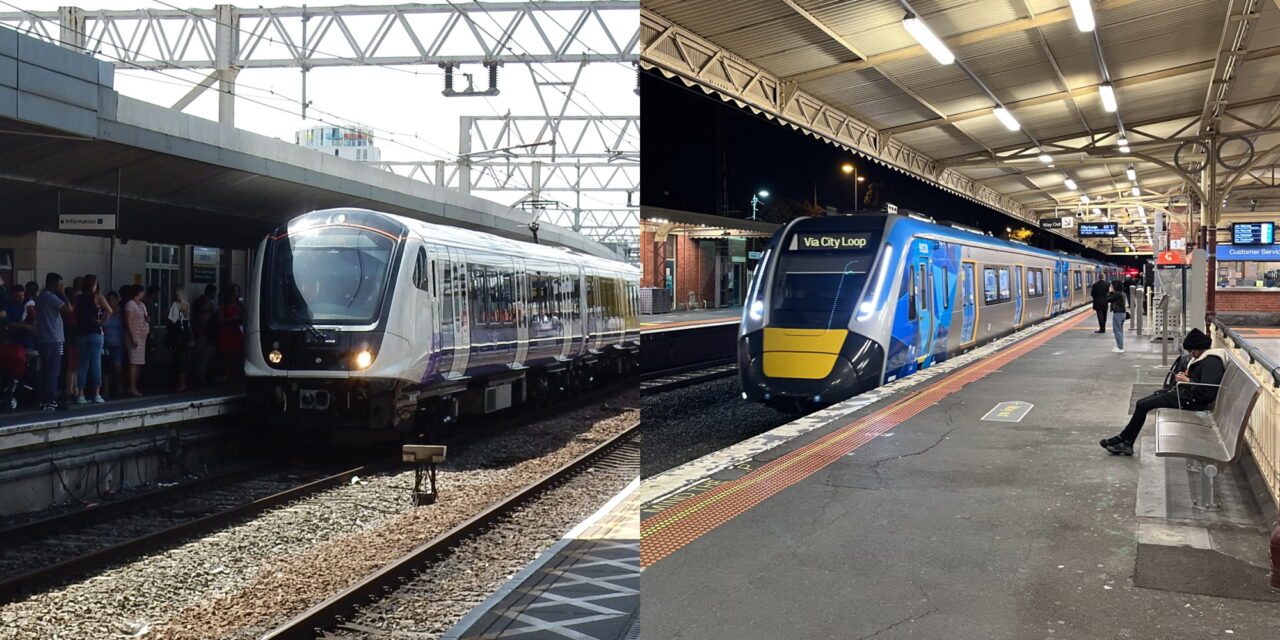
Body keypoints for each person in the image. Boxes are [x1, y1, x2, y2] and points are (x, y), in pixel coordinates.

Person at [1100, 329, 1225, 456]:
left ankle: (1124, 441)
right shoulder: (1206, 359)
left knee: (1142, 405)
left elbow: (1208, 393)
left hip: (1191, 401)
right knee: (1148, 399)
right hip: (1185, 395)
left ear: (1201, 348)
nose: (1191, 355)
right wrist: (1186, 380)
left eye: (1193, 351)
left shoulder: (1212, 362)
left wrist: (1187, 381)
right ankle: (1125, 441)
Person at [34, 273, 71, 411]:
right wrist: (63, 294)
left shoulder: (40, 297)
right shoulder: (51, 297)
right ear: (55, 284)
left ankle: (44, 399)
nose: (62, 287)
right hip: (53, 338)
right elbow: (69, 309)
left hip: (44, 337)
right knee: (53, 370)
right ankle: (51, 399)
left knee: (46, 370)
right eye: (60, 284)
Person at [73, 275, 112, 404]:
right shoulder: (97, 297)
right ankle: (96, 393)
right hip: (95, 332)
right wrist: (101, 322)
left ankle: (81, 394)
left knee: (82, 365)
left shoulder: (78, 298)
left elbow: (74, 312)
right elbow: (110, 311)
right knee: (96, 363)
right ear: (94, 284)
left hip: (81, 333)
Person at [123, 285, 150, 397]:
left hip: (142, 336)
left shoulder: (142, 304)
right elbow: (128, 321)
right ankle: (131, 386)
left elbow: (146, 317)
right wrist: (132, 335)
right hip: (134, 335)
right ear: (138, 292)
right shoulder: (130, 304)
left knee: (139, 362)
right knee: (134, 362)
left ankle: (134, 385)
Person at [166, 285, 192, 392]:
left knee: (178, 359)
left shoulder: (175, 305)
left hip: (177, 336)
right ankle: (184, 383)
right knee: (184, 359)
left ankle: (179, 384)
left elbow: (172, 320)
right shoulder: (186, 305)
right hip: (185, 335)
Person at [191, 284, 217, 386]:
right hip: (204, 333)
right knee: (203, 357)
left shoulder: (201, 302)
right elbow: (203, 319)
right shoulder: (205, 304)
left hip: (203, 333)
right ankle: (201, 379)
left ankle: (203, 377)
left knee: (205, 357)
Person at [218, 284, 244, 383]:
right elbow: (220, 319)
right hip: (227, 330)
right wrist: (231, 318)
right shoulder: (225, 304)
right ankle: (228, 377)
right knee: (227, 355)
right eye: (234, 291)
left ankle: (235, 376)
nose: (236, 293)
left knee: (237, 354)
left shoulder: (240, 305)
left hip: (236, 330)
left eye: (237, 291)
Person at [103, 290, 125, 398]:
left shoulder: (122, 312)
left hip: (118, 344)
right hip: (106, 344)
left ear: (117, 300)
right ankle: (106, 390)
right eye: (109, 299)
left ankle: (120, 388)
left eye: (113, 299)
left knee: (118, 367)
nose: (111, 301)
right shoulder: (104, 312)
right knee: (107, 368)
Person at [1107, 280, 1126, 353]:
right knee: (1120, 331)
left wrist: (1110, 292)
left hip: (1118, 314)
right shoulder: (1122, 293)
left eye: (1112, 286)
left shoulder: (1117, 294)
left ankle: (1120, 348)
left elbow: (1108, 299)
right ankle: (1119, 346)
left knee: (1117, 331)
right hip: (1122, 313)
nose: (1111, 287)